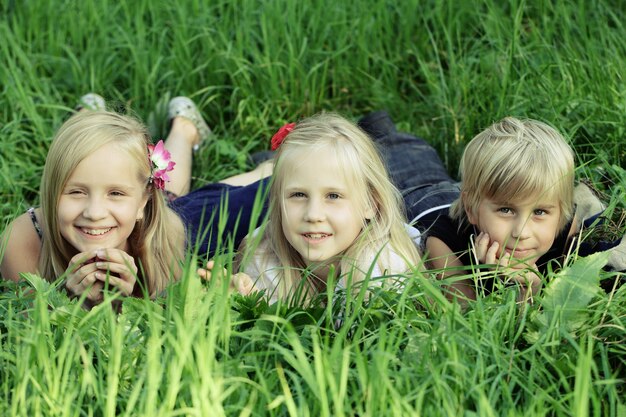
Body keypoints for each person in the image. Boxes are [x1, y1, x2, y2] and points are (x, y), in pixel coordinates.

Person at [0, 95, 271, 307]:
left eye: (115, 193)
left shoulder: (163, 238)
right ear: (51, 192)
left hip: (172, 217)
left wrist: (129, 300)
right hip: (144, 207)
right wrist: (82, 304)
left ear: (144, 201)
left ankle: (185, 128)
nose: (94, 213)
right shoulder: (21, 242)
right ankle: (89, 117)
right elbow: (33, 333)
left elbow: (160, 327)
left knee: (252, 192)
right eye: (76, 192)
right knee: (169, 194)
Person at [198, 113, 423, 304]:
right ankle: (266, 166)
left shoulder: (382, 264)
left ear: (371, 204)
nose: (313, 215)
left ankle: (381, 124)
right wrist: (249, 302)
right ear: (278, 201)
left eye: (333, 196)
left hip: (421, 193)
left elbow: (353, 339)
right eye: (298, 194)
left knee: (408, 154)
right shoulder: (263, 256)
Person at [396, 116, 625, 302]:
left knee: (430, 168)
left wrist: (529, 292)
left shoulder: (566, 231)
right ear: (471, 208)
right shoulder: (444, 242)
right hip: (421, 201)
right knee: (403, 156)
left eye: (540, 212)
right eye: (506, 210)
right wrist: (490, 276)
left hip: (476, 197)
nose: (521, 232)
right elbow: (465, 314)